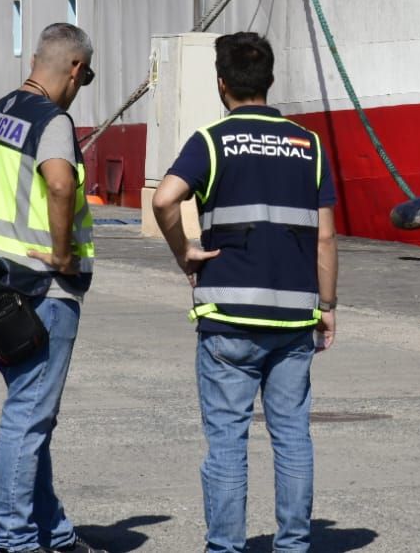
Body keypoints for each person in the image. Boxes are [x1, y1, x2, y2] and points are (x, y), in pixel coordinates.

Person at [151, 32, 338, 553]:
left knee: (228, 442)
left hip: (229, 315)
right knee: (293, 437)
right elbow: (324, 235)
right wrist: (328, 305)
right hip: (294, 316)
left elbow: (165, 200)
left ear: (222, 83)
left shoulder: (210, 141)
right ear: (270, 80)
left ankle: (225, 548)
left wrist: (183, 249)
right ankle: (294, 545)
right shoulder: (309, 145)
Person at [0, 22, 103, 553]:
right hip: (44, 290)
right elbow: (59, 182)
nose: (81, 85)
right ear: (73, 68)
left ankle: (55, 534)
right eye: (85, 76)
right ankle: (14, 539)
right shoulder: (53, 121)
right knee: (27, 420)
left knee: (32, 415)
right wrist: (64, 254)